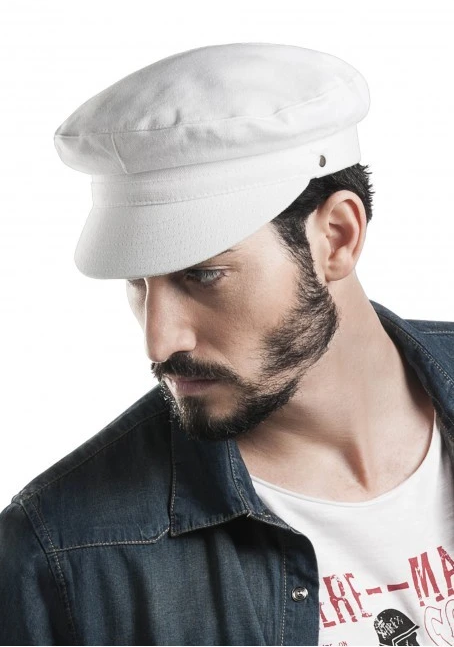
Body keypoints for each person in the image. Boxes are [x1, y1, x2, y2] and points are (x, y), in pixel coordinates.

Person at [1, 42, 453, 647]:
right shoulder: (62, 557)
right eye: (137, 283)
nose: (159, 341)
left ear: (337, 238)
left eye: (202, 275)